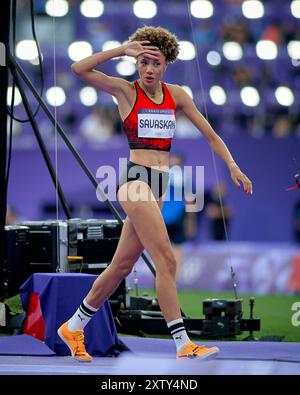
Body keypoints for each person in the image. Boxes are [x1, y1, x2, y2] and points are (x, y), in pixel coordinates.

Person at [57, 25, 253, 361]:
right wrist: (121, 49)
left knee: (121, 267)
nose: (149, 69)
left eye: (156, 63)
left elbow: (211, 136)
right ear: (136, 62)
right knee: (166, 259)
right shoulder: (125, 92)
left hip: (159, 184)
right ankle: (182, 343)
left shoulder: (177, 95)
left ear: (166, 65)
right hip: (135, 182)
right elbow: (78, 69)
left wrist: (233, 166)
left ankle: (73, 327)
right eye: (144, 61)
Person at [161, 153, 197, 277]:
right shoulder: (184, 176)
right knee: (174, 248)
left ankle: (164, 278)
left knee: (163, 249)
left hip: (166, 216)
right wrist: (191, 222)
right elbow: (190, 200)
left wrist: (191, 222)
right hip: (172, 216)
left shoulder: (164, 174)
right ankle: (172, 280)